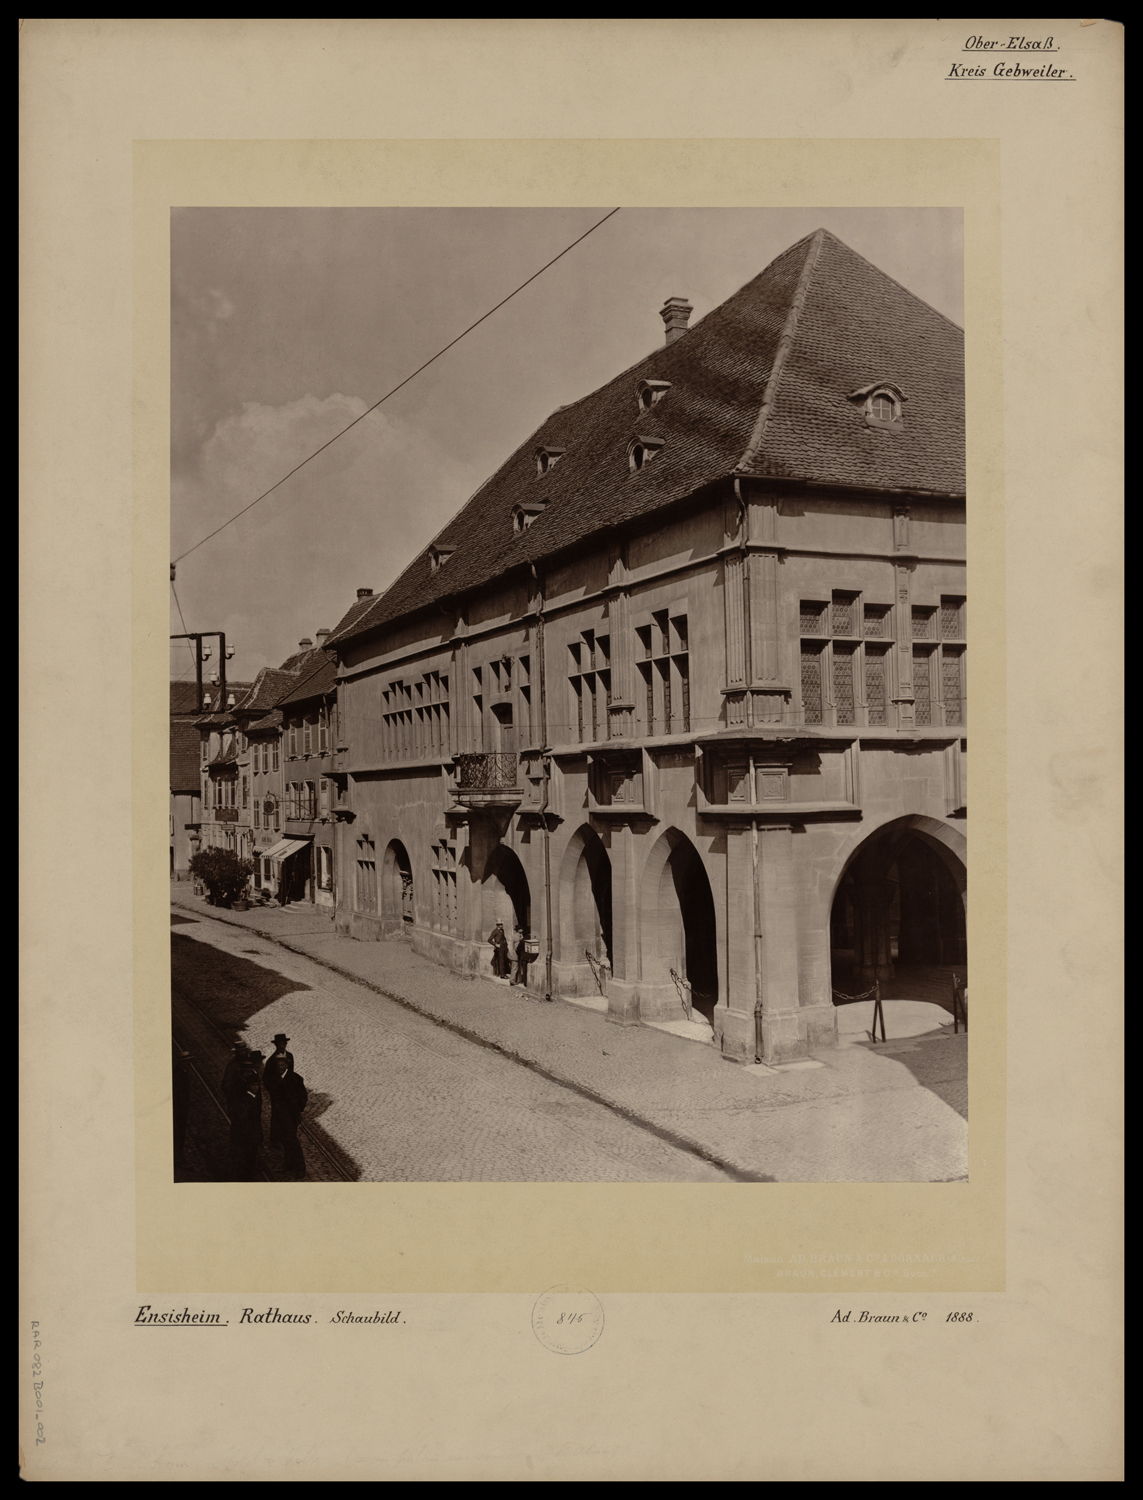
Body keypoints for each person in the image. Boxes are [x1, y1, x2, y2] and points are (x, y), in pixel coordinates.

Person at [266, 1050, 308, 1179]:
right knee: (284, 1139)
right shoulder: (275, 1079)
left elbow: (303, 1096)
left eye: (282, 1065)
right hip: (279, 1116)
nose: (280, 1068)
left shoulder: (295, 1078)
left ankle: (301, 1167)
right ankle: (289, 1163)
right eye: (278, 1065)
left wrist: (297, 1110)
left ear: (287, 1065)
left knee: (292, 1140)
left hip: (290, 1116)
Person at [228, 1063, 264, 1181]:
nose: (256, 1088)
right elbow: (244, 1121)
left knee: (250, 1157)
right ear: (248, 1086)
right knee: (248, 1157)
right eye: (253, 1086)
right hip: (248, 1135)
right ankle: (246, 1177)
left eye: (257, 1085)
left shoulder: (252, 1098)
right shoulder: (246, 1101)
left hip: (252, 1134)